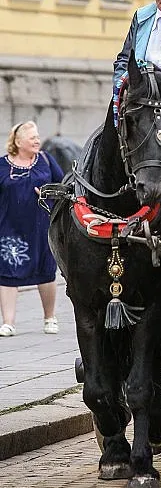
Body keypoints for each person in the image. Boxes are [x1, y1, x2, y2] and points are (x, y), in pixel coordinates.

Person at [0, 121, 64, 337]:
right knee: (7, 275)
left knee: (46, 272)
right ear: (18, 142)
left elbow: (63, 186)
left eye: (37, 136)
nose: (37, 140)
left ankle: (50, 318)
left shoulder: (46, 160)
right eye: (32, 137)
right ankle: (8, 322)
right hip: (10, 230)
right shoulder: (2, 165)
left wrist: (48, 193)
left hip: (41, 227)